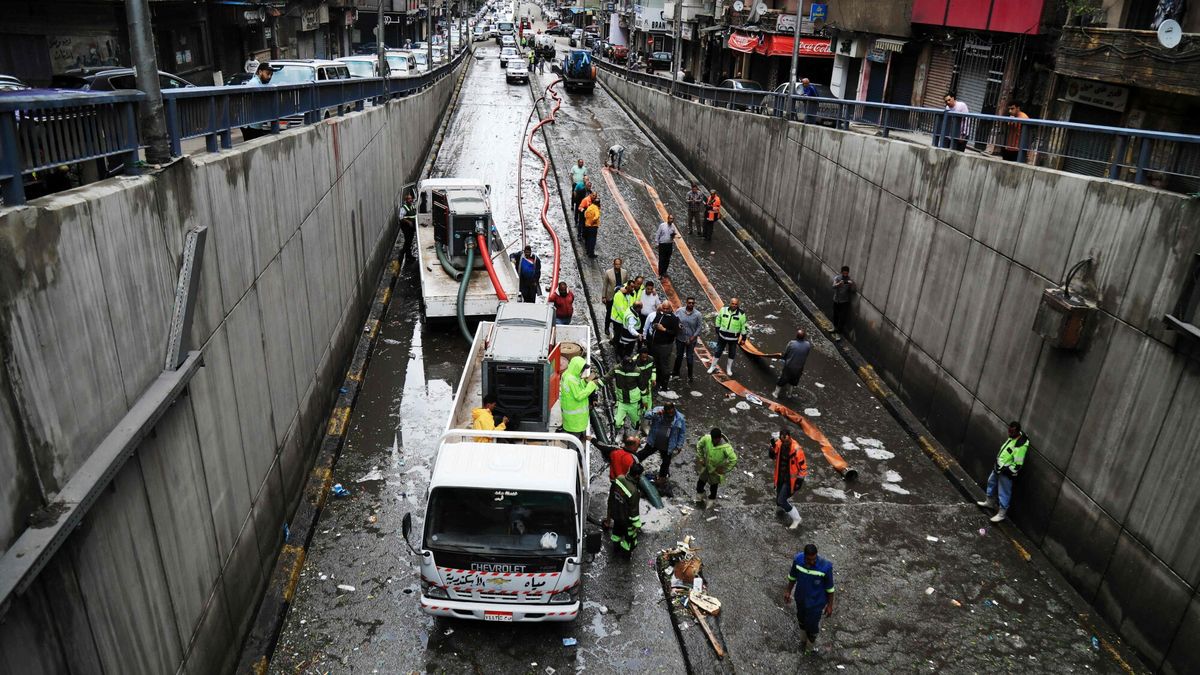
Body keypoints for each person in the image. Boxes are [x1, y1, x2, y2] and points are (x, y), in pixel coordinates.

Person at [784, 543, 836, 654]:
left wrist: (830, 605)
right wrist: (788, 591)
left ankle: (810, 647)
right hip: (801, 599)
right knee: (801, 619)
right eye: (809, 559)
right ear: (804, 556)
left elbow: (830, 589)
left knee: (812, 625)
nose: (812, 562)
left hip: (816, 604)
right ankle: (803, 641)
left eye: (814, 559)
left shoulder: (825, 567)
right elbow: (792, 577)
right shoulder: (798, 561)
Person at [976, 421, 1030, 522]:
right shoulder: (1013, 437)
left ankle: (1001, 514)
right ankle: (990, 502)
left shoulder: (1020, 446)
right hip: (999, 468)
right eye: (1009, 430)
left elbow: (1018, 464)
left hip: (1006, 472)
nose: (1009, 433)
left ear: (1017, 432)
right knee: (991, 482)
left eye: (1012, 432)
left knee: (1004, 492)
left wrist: (1007, 471)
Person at [637, 403, 687, 488]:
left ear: (674, 409)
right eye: (669, 413)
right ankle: (632, 463)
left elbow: (682, 433)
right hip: (654, 442)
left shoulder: (680, 418)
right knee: (644, 453)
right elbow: (646, 415)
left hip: (668, 446)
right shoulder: (658, 411)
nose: (671, 414)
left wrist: (679, 445)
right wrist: (656, 413)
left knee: (666, 462)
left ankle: (662, 478)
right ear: (665, 410)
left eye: (672, 412)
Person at [770, 428, 808, 529]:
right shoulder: (779, 444)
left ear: (789, 437)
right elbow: (773, 455)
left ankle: (796, 518)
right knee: (779, 500)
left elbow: (803, 467)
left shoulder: (796, 449)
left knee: (782, 500)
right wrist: (772, 447)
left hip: (790, 480)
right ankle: (782, 509)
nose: (784, 443)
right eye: (782, 441)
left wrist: (800, 480)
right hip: (780, 477)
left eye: (786, 441)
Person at [558, 356, 598, 444]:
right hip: (575, 419)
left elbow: (577, 388)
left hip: (573, 417)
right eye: (582, 369)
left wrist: (585, 381)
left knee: (573, 434)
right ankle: (574, 451)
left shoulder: (569, 375)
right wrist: (591, 385)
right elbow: (579, 395)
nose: (582, 371)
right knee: (574, 439)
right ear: (577, 368)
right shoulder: (571, 380)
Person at [608, 462, 644, 558]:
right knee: (630, 540)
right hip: (626, 521)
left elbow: (611, 495)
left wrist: (610, 512)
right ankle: (625, 555)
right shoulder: (634, 491)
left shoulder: (619, 478)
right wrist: (637, 525)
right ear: (637, 475)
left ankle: (615, 549)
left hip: (616, 514)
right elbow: (634, 511)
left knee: (616, 532)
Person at [695, 428, 737, 507]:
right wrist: (701, 458)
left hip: (716, 470)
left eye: (716, 440)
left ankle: (711, 499)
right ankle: (700, 493)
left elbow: (734, 459)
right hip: (706, 466)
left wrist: (724, 469)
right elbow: (699, 445)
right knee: (701, 481)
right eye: (713, 439)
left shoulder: (726, 447)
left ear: (720, 438)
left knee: (713, 486)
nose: (714, 441)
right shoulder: (707, 439)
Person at [707, 298, 748, 376]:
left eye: (736, 304)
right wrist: (717, 328)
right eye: (732, 303)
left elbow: (743, 326)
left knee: (732, 353)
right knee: (718, 351)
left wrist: (743, 338)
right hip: (722, 336)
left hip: (733, 339)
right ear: (730, 303)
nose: (734, 305)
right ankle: (712, 366)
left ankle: (728, 369)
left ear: (738, 305)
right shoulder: (724, 310)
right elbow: (718, 318)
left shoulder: (741, 314)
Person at [644, 300, 678, 389]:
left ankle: (664, 385)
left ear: (670, 308)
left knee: (664, 365)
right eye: (664, 308)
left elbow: (675, 333)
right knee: (655, 363)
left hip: (665, 346)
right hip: (655, 344)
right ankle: (657, 381)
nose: (665, 310)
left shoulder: (674, 319)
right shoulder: (659, 314)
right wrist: (654, 326)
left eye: (667, 308)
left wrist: (664, 329)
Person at [608, 354, 644, 434]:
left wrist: (644, 401)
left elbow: (642, 386)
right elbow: (606, 378)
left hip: (634, 402)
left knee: (636, 423)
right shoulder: (616, 369)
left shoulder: (637, 371)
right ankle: (619, 433)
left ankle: (634, 436)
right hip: (621, 401)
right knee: (617, 422)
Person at [672, 297, 703, 384]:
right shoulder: (679, 311)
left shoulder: (698, 315)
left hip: (691, 340)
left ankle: (690, 375)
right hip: (680, 338)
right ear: (686, 303)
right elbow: (674, 320)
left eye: (693, 303)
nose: (691, 304)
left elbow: (699, 327)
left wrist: (693, 337)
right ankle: (675, 372)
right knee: (679, 356)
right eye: (689, 303)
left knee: (689, 358)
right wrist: (678, 325)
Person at [773, 329, 812, 398]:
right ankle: (789, 394)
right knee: (793, 381)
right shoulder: (808, 345)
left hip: (789, 366)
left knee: (782, 380)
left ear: (796, 336)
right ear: (804, 337)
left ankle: (775, 394)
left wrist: (783, 357)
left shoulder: (792, 343)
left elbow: (786, 353)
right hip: (799, 368)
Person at [602, 258, 629, 337]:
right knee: (609, 312)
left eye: (619, 264)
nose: (617, 266)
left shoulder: (624, 272)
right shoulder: (608, 272)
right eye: (616, 264)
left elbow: (626, 283)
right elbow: (605, 285)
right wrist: (604, 296)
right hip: (611, 296)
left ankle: (615, 328)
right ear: (613, 264)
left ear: (621, 264)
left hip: (621, 296)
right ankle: (606, 327)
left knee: (617, 312)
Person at [610, 278, 639, 343]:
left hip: (625, 318)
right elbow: (620, 310)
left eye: (634, 287)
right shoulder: (619, 295)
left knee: (621, 334)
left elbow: (632, 305)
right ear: (627, 286)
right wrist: (627, 319)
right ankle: (615, 343)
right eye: (631, 287)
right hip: (618, 319)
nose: (633, 289)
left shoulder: (633, 293)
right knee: (618, 333)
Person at [831, 266, 855, 334]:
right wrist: (839, 284)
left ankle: (839, 331)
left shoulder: (850, 280)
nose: (845, 275)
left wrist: (851, 285)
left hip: (844, 302)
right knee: (835, 315)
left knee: (842, 317)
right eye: (844, 273)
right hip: (836, 300)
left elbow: (853, 291)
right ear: (841, 272)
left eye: (846, 273)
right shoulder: (837, 278)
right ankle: (834, 328)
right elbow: (833, 286)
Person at [635, 345, 657, 416]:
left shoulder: (651, 359)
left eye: (646, 356)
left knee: (648, 396)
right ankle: (639, 411)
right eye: (643, 357)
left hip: (648, 381)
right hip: (639, 383)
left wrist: (653, 379)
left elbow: (653, 369)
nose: (645, 358)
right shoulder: (635, 362)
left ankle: (648, 411)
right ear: (640, 355)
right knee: (640, 398)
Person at [399, 192, 417, 257]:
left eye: (411, 198)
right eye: (409, 199)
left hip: (411, 227)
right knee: (407, 241)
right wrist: (408, 222)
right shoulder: (404, 208)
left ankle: (408, 255)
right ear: (406, 200)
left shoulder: (412, 206)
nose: (410, 200)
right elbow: (401, 218)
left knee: (410, 240)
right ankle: (405, 254)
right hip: (406, 227)